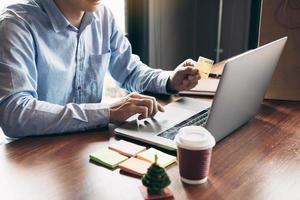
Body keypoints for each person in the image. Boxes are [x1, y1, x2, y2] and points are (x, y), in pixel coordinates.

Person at [0, 0, 200, 138]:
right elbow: (15, 113)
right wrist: (107, 111)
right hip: (34, 157)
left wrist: (169, 80)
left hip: (87, 145)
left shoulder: (102, 15)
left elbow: (129, 70)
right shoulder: (16, 24)